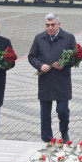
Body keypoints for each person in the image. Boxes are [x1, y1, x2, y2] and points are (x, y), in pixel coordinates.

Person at [28, 13, 76, 143]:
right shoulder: (39, 38)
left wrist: (64, 65)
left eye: (53, 25)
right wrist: (40, 65)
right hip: (46, 81)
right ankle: (47, 139)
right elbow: (31, 56)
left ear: (59, 24)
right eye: (47, 25)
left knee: (62, 111)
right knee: (45, 113)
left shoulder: (69, 38)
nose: (50, 28)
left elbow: (76, 57)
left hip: (62, 81)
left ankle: (64, 132)